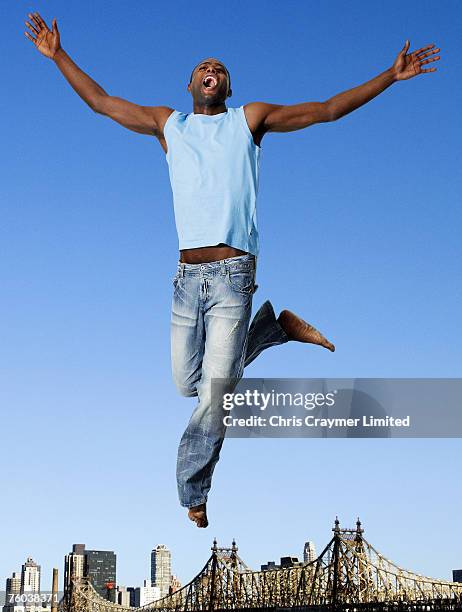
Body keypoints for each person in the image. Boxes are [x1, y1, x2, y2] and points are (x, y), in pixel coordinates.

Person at [25, 12, 440, 528]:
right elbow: (102, 103)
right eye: (203, 66)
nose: (211, 68)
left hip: (232, 275)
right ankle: (273, 328)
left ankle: (192, 488)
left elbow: (327, 110)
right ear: (190, 85)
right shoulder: (167, 124)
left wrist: (388, 76)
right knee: (188, 385)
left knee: (216, 393)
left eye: (220, 67)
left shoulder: (249, 120)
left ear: (227, 86)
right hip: (184, 279)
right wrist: (58, 55)